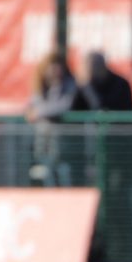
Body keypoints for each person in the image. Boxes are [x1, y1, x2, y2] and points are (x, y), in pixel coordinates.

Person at [76, 51, 132, 262]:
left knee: (118, 201)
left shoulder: (119, 85)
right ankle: (101, 251)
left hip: (123, 157)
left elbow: (108, 110)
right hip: (100, 158)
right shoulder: (87, 86)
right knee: (100, 203)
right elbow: (75, 108)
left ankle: (126, 252)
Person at [26, 50, 81, 187]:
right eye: (51, 65)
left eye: (57, 65)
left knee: (62, 171)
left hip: (63, 144)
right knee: (45, 171)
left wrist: (39, 113)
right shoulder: (41, 86)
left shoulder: (70, 85)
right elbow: (30, 107)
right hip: (43, 141)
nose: (54, 69)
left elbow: (63, 106)